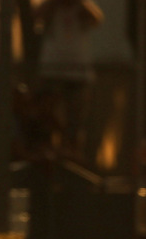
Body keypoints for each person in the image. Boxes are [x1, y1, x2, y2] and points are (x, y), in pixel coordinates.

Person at [35, 0, 104, 157]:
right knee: (47, 111)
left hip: (78, 72)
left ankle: (72, 150)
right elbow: (36, 15)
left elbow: (96, 19)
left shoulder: (82, 9)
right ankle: (48, 147)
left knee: (76, 116)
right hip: (52, 69)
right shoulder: (51, 8)